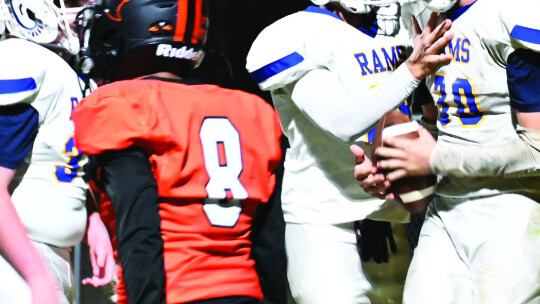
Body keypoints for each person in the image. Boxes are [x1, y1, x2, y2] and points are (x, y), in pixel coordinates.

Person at [71, 1, 283, 303]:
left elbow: (140, 228)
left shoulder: (119, 104)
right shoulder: (252, 110)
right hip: (244, 292)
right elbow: (269, 243)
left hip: (172, 291)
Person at [245, 0, 454, 303]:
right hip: (325, 224)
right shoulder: (295, 34)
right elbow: (342, 121)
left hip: (388, 217)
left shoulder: (402, 22)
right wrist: (412, 70)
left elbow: (412, 118)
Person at [353, 0, 540, 302]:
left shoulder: (511, 14)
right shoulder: (427, 19)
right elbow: (436, 126)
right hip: (446, 211)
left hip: (514, 209)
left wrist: (436, 159)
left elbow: (537, 151)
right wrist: (392, 166)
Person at [0, 1, 115, 303]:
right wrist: (35, 275)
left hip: (45, 256)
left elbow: (50, 159)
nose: (84, 11)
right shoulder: (24, 59)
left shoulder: (60, 71)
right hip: (16, 258)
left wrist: (91, 221)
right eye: (72, 3)